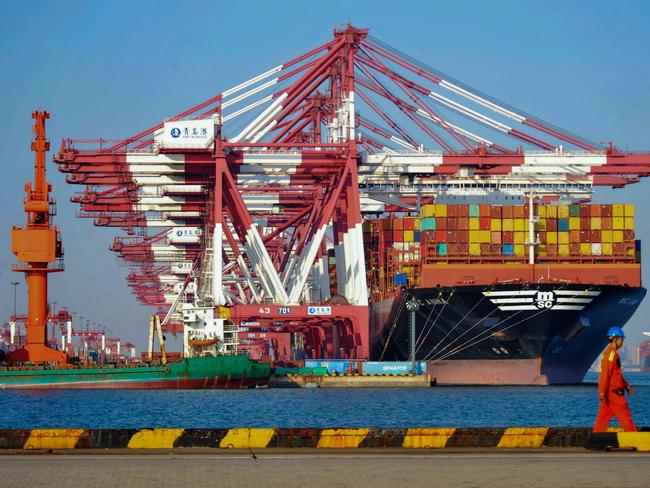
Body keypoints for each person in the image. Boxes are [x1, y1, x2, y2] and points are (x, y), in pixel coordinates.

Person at [593, 327, 637, 432]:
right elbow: (605, 373)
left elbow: (616, 374)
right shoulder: (611, 354)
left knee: (602, 419)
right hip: (614, 395)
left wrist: (626, 386)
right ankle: (633, 438)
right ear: (615, 339)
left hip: (609, 394)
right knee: (625, 416)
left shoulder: (612, 354)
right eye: (621, 339)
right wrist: (602, 390)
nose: (622, 342)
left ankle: (597, 438)